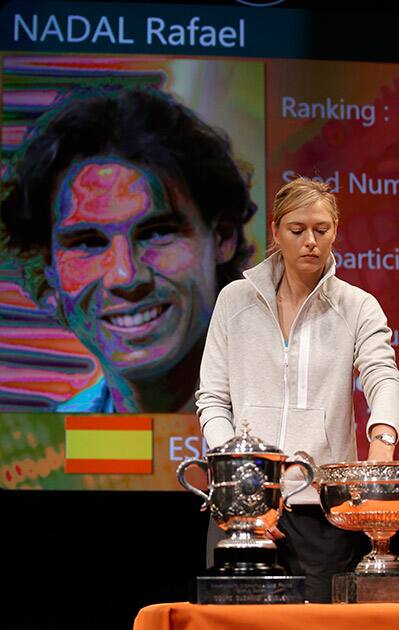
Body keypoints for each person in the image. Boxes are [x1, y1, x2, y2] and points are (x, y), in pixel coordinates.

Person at [195, 177, 399, 602]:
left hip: (322, 510)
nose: (310, 241)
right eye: (297, 230)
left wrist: (382, 440)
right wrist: (243, 480)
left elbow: (383, 376)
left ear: (335, 232)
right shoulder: (234, 302)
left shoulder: (357, 306)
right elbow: (213, 398)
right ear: (275, 231)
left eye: (322, 230)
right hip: (242, 511)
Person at [0, 86, 256, 412]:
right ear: (48, 270)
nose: (125, 275)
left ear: (222, 237)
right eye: (88, 243)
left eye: (157, 233)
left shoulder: (288, 421)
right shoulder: (46, 449)